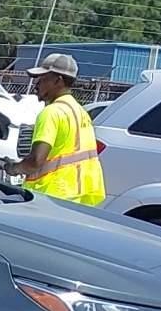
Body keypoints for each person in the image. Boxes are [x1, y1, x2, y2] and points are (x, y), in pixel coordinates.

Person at [12, 52, 105, 206]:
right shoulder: (80, 112)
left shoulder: (51, 112)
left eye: (42, 79)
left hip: (52, 195)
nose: (36, 85)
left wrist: (14, 168)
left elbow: (35, 161)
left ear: (58, 80)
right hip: (79, 194)